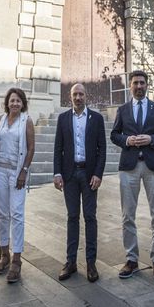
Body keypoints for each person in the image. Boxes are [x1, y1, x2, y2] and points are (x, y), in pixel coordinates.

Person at [110, 69, 154, 281]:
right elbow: (114, 135)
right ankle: (131, 258)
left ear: (147, 85)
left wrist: (151, 139)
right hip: (129, 167)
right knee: (128, 215)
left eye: (142, 83)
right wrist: (127, 141)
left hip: (152, 167)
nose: (139, 86)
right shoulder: (123, 109)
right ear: (130, 86)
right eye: (135, 83)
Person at [53, 83, 107, 282]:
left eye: (81, 94)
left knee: (90, 217)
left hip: (89, 174)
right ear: (70, 97)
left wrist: (98, 174)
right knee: (72, 217)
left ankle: (91, 263)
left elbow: (103, 149)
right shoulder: (63, 118)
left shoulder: (97, 119)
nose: (78, 97)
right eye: (75, 94)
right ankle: (71, 262)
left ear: (86, 96)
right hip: (70, 175)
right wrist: (57, 173)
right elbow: (58, 148)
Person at [0, 87, 35, 283]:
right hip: (0, 172)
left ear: (23, 104)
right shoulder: (0, 119)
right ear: (7, 103)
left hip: (16, 172)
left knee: (17, 214)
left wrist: (23, 171)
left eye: (18, 101)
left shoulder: (26, 121)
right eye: (12, 100)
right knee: (2, 214)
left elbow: (31, 148)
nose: (15, 103)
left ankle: (16, 259)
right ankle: (4, 254)